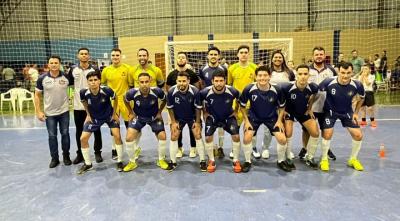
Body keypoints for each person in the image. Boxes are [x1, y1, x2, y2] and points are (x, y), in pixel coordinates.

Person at [239, 65, 288, 172]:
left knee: (282, 139)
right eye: (260, 75)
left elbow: (282, 106)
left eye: (265, 75)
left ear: (269, 76)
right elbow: (242, 106)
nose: (262, 78)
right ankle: (248, 161)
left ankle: (281, 161)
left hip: (271, 118)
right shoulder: (249, 88)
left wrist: (279, 121)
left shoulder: (277, 89)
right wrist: (246, 121)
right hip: (254, 117)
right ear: (256, 77)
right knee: (247, 137)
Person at [319, 62, 365, 171]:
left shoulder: (357, 84)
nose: (345, 75)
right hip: (330, 111)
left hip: (347, 112)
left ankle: (353, 159)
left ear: (352, 72)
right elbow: (316, 93)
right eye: (342, 72)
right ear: (338, 71)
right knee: (328, 133)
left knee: (358, 135)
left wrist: (356, 113)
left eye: (348, 73)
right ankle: (324, 159)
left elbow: (361, 98)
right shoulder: (328, 82)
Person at [77, 71, 124, 174]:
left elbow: (115, 99)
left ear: (99, 81)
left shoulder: (106, 90)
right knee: (83, 138)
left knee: (117, 136)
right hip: (94, 118)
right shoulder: (83, 92)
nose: (93, 82)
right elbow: (84, 102)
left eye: (95, 80)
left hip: (108, 116)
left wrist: (115, 113)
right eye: (90, 80)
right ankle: (88, 164)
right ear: (87, 82)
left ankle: (120, 161)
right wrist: (88, 115)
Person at [122, 73, 169, 172]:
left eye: (146, 82)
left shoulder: (157, 91)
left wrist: (160, 112)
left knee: (162, 136)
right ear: (138, 83)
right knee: (129, 138)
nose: (144, 84)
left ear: (150, 81)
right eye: (142, 82)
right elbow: (125, 99)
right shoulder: (132, 93)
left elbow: (164, 100)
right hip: (138, 118)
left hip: (153, 118)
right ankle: (132, 162)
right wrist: (130, 112)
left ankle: (161, 160)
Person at [198, 70, 241, 173]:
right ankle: (212, 160)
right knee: (208, 137)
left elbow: (240, 99)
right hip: (212, 117)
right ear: (212, 81)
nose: (219, 83)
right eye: (216, 81)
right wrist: (204, 112)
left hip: (228, 116)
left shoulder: (233, 91)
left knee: (236, 136)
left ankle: (236, 160)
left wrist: (235, 111)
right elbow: (200, 103)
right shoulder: (204, 92)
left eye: (221, 81)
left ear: (225, 81)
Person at [101, 48, 140, 160]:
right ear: (110, 57)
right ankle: (114, 148)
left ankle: (133, 147)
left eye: (117, 55)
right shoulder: (106, 70)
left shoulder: (128, 69)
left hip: (125, 101)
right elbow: (103, 86)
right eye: (113, 55)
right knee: (114, 127)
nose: (115, 57)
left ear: (120, 56)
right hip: (112, 102)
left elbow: (131, 85)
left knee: (131, 126)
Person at [300, 46, 337, 161]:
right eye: (317, 54)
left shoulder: (331, 70)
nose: (319, 56)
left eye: (321, 54)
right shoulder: (307, 71)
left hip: (326, 106)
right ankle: (305, 149)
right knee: (306, 130)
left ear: (324, 56)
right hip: (309, 107)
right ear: (313, 56)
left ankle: (326, 148)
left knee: (326, 129)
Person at [280, 64, 320, 169]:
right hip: (289, 112)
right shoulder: (286, 87)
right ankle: (288, 156)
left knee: (315, 133)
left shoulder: (313, 87)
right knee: (288, 132)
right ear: (296, 75)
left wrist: (310, 108)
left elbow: (314, 96)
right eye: (300, 74)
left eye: (305, 74)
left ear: (309, 75)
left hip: (303, 112)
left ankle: (309, 157)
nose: (303, 76)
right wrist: (282, 111)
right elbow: (279, 100)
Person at [67, 48, 103, 164]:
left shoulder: (95, 69)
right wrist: (70, 100)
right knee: (79, 131)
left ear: (89, 56)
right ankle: (80, 154)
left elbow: (99, 85)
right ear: (78, 56)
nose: (84, 56)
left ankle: (97, 152)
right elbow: (70, 87)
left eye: (86, 54)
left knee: (96, 130)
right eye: (81, 54)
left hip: (94, 106)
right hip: (78, 106)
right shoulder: (73, 69)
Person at [34, 55, 71, 168]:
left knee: (65, 134)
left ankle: (66, 156)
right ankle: (54, 158)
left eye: (56, 62)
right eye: (52, 63)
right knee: (52, 136)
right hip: (49, 114)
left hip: (64, 111)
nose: (54, 64)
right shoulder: (42, 78)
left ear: (59, 64)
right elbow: (36, 95)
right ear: (48, 64)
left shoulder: (66, 77)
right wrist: (38, 112)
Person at [259, 50, 296, 160]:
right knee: (268, 129)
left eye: (280, 57)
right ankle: (265, 148)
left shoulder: (289, 72)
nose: (278, 59)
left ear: (283, 59)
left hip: (286, 105)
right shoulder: (268, 72)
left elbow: (293, 88)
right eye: (275, 57)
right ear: (271, 59)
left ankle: (287, 150)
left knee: (286, 128)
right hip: (270, 104)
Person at [166, 71, 206, 171]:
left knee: (197, 134)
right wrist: (173, 122)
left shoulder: (195, 91)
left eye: (184, 81)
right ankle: (173, 162)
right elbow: (170, 108)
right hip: (178, 118)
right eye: (179, 81)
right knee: (174, 135)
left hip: (192, 117)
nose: (181, 83)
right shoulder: (171, 91)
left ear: (188, 81)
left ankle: (202, 161)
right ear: (176, 81)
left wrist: (197, 122)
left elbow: (198, 108)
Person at [166, 52, 200, 158]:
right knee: (176, 128)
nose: (181, 59)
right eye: (179, 57)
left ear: (186, 60)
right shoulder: (172, 74)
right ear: (176, 60)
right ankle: (179, 148)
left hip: (190, 106)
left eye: (183, 57)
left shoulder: (191, 73)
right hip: (177, 106)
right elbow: (168, 89)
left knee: (192, 127)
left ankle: (193, 148)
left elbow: (196, 87)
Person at [227, 45, 258, 159]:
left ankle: (253, 148)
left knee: (251, 127)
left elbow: (257, 84)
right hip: (237, 104)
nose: (244, 54)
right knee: (236, 127)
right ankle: (234, 148)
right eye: (241, 52)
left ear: (248, 54)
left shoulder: (254, 67)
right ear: (237, 54)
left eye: (246, 52)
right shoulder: (231, 68)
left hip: (251, 102)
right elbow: (229, 85)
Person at [198, 46, 227, 158]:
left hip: (221, 102)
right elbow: (201, 85)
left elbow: (226, 84)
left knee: (221, 126)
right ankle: (212, 147)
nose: (213, 56)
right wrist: (203, 107)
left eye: (215, 54)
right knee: (209, 125)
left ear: (219, 56)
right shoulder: (203, 69)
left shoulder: (223, 69)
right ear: (207, 56)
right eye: (211, 54)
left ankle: (220, 148)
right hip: (208, 103)